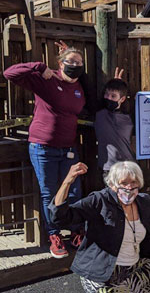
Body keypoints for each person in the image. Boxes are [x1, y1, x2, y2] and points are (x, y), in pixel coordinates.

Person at [49, 161, 150, 292]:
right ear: (113, 185)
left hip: (132, 268)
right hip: (102, 274)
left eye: (134, 182)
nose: (129, 187)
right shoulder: (99, 201)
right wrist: (67, 181)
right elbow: (61, 217)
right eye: (124, 183)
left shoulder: (142, 202)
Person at [3, 47, 89, 258]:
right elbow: (9, 73)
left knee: (75, 192)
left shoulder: (80, 86)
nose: (75, 66)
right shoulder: (47, 79)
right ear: (60, 64)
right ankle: (54, 236)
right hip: (43, 148)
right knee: (49, 193)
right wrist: (39, 66)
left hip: (68, 149)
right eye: (71, 61)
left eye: (79, 63)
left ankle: (77, 232)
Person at [95, 67, 134, 177]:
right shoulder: (100, 113)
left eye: (113, 96)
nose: (109, 98)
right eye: (107, 94)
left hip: (128, 166)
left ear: (122, 99)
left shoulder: (129, 116)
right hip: (108, 168)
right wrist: (114, 83)